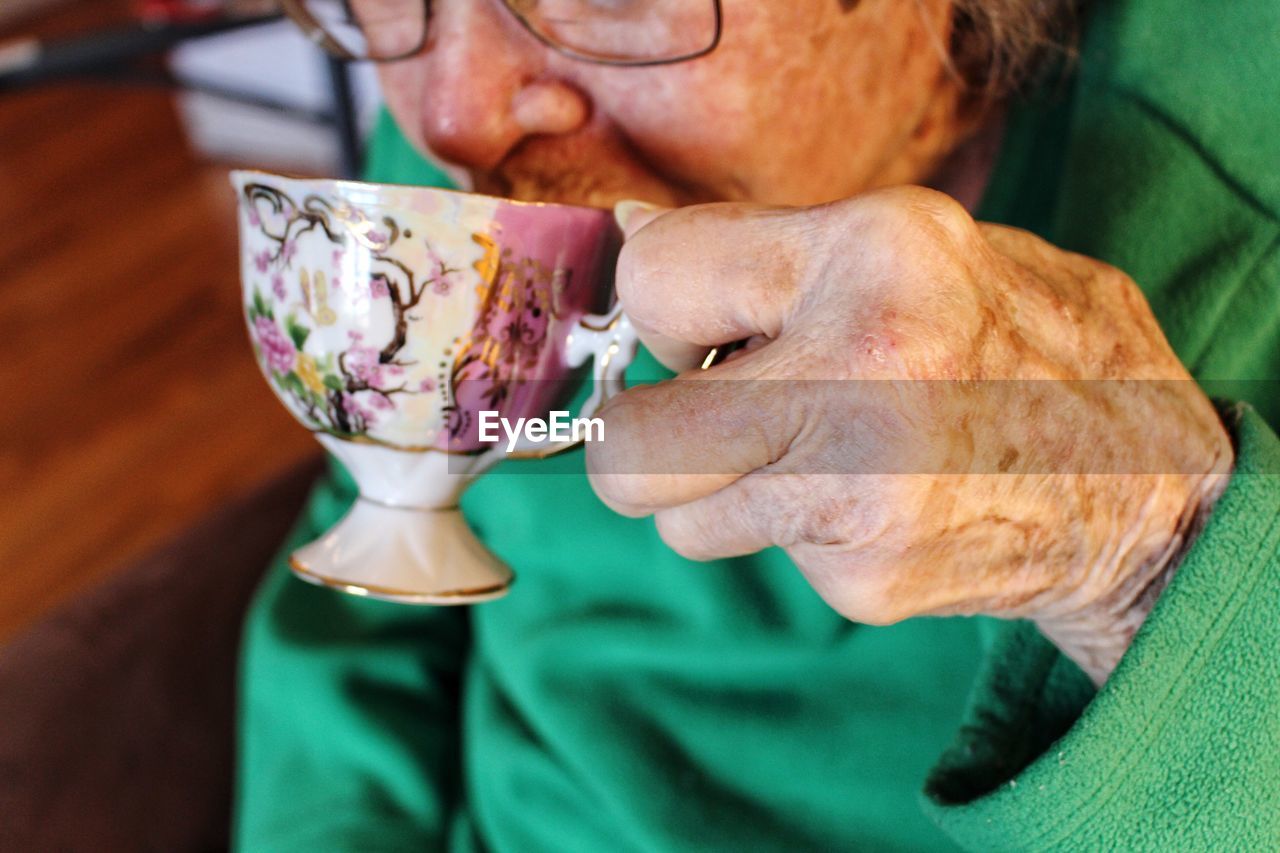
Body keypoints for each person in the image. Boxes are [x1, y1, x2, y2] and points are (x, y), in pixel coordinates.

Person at [236, 0, 1280, 849]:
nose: (451, 121)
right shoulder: (475, 111)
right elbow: (377, 547)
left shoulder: (1236, 206)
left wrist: (1144, 561)